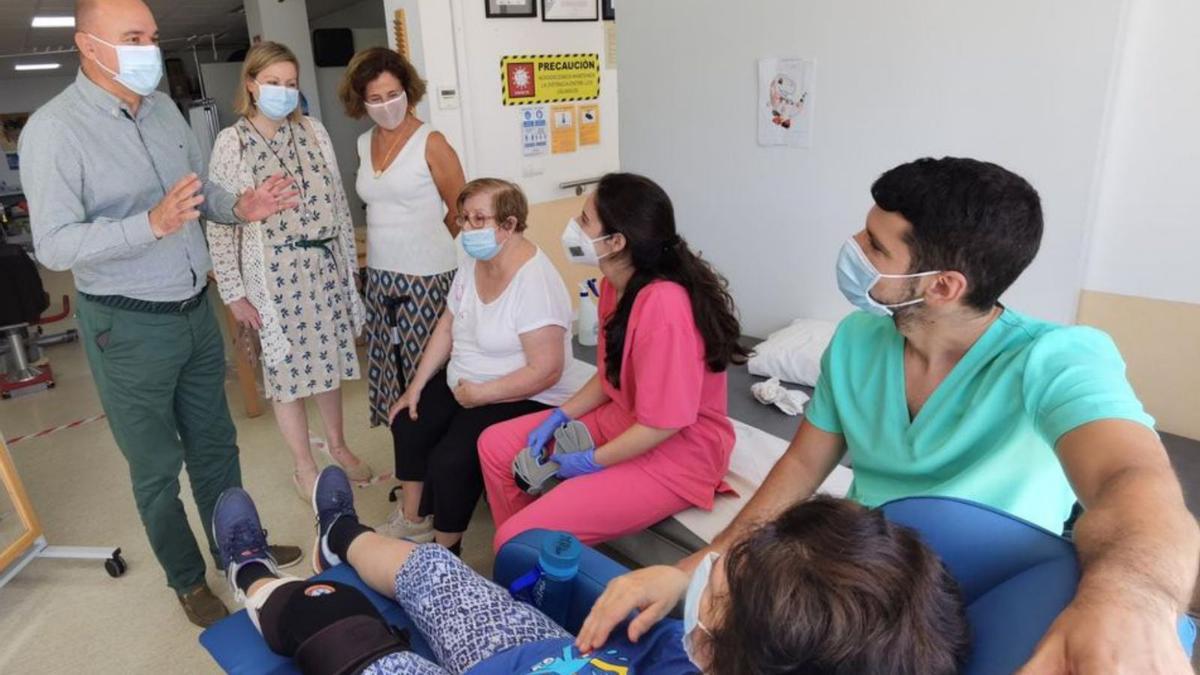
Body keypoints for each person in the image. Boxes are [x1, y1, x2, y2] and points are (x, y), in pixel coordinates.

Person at [657, 157, 1196, 674]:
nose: (853, 250)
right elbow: (800, 467)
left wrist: (1134, 596)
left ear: (942, 285)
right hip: (861, 584)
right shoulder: (854, 341)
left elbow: (1132, 478)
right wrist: (702, 567)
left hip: (986, 585)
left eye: (874, 247)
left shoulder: (1055, 359)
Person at [18, 0, 303, 627]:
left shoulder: (165, 109)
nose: (152, 46)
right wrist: (147, 225)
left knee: (216, 446)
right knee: (155, 465)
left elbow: (201, 193)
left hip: (193, 310)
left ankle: (239, 552)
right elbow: (56, 244)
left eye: (151, 33)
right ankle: (185, 578)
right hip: (126, 324)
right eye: (134, 36)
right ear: (88, 46)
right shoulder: (54, 130)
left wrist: (242, 205)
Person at [212, 466, 970, 674]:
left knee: (339, 630)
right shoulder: (718, 647)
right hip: (549, 653)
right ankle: (340, 532)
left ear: (723, 641)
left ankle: (248, 573)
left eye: (725, 579)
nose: (710, 571)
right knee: (438, 574)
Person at [479, 173, 749, 550]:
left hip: (675, 454)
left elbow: (664, 425)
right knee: (494, 445)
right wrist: (562, 415)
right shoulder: (613, 285)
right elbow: (610, 372)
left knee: (515, 538)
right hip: (626, 419)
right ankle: (529, 553)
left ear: (617, 241)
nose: (573, 228)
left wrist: (592, 460)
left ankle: (523, 550)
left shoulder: (665, 306)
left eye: (585, 221)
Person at [207, 42, 370, 500]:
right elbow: (220, 224)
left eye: (291, 84)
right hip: (275, 276)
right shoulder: (232, 142)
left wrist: (345, 269)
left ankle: (339, 445)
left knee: (329, 364)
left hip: (323, 267)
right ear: (252, 85)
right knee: (289, 377)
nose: (283, 91)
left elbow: (337, 204)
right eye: (273, 83)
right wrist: (235, 292)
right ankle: (304, 466)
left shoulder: (314, 132)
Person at [385, 178, 577, 553]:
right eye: (463, 219)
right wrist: (416, 386)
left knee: (450, 459)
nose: (467, 228)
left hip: (522, 391)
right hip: (468, 382)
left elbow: (546, 370)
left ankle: (444, 555)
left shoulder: (534, 279)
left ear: (508, 225)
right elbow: (448, 323)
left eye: (478, 219)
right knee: (408, 420)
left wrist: (482, 394)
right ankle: (413, 522)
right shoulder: (475, 260)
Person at [339, 47, 466, 429]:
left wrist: (425, 243)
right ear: (361, 102)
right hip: (379, 273)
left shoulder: (432, 141)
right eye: (375, 99)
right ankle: (409, 451)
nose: (386, 105)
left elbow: (460, 208)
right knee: (390, 366)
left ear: (408, 91)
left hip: (427, 276)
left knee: (427, 370)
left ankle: (440, 457)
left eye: (393, 95)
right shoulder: (364, 144)